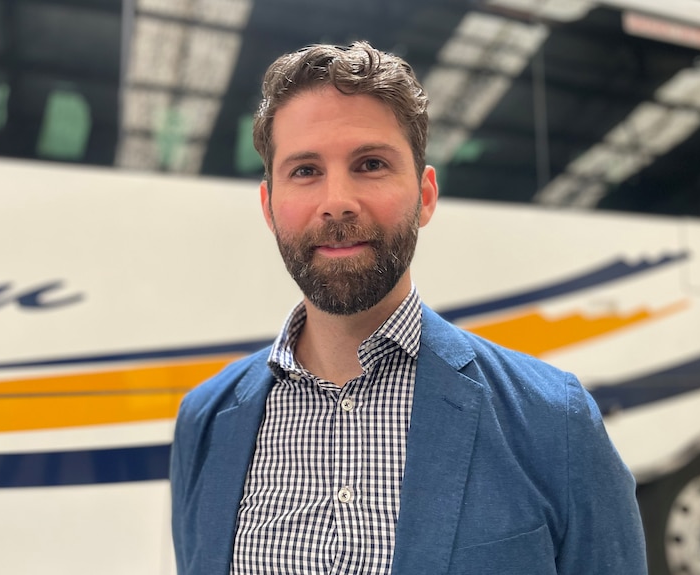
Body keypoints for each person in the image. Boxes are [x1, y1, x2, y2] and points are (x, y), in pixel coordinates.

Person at [170, 41, 647, 575]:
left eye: (370, 164)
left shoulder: (554, 420)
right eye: (305, 171)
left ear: (424, 196)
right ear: (269, 207)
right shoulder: (205, 421)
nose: (337, 201)